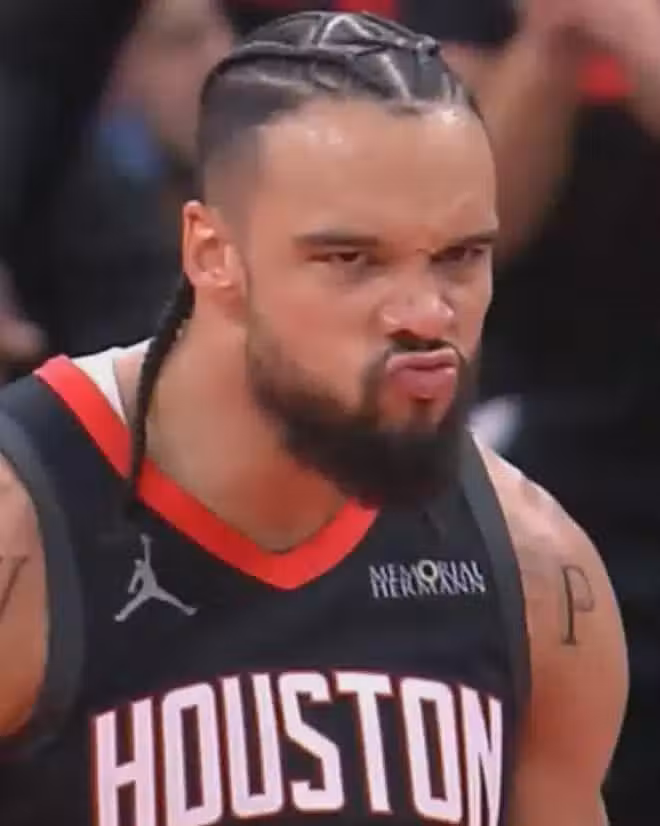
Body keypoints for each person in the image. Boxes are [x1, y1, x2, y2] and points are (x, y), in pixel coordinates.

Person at [0, 11, 626, 826]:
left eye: (460, 257)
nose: (425, 313)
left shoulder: (537, 572)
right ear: (212, 255)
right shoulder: (24, 531)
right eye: (350, 259)